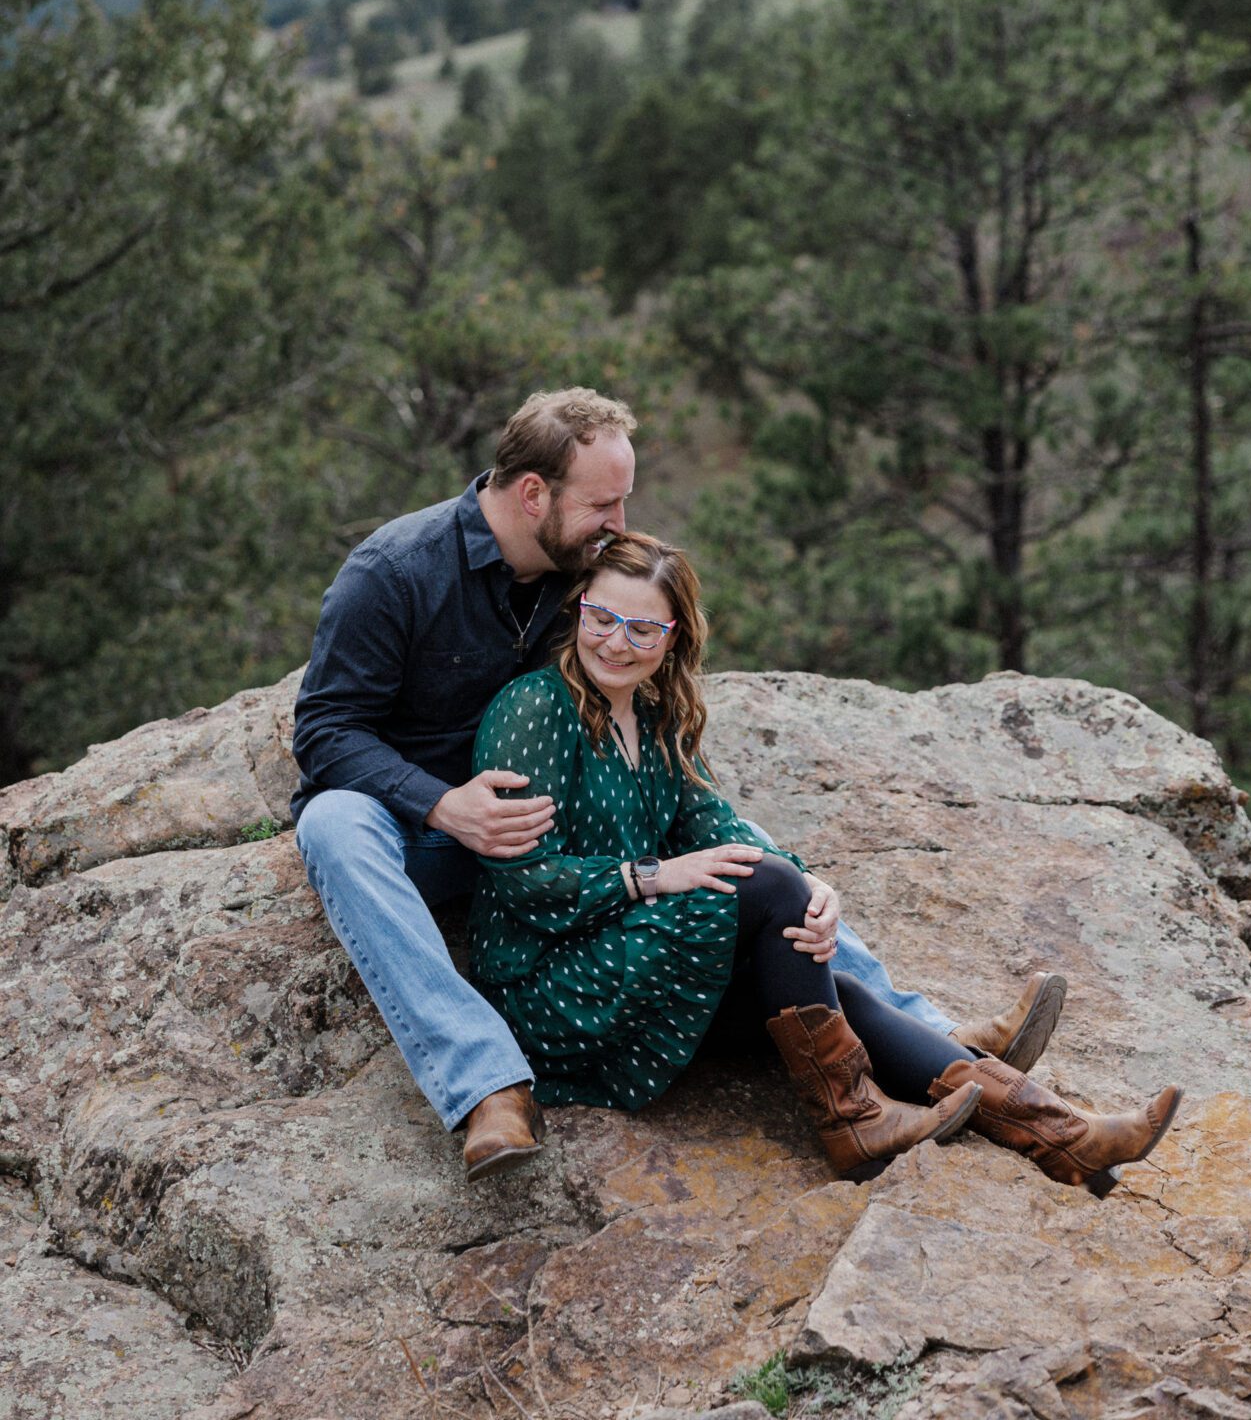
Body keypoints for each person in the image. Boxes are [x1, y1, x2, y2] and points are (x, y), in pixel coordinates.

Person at [291, 385, 1065, 1183]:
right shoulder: (394, 571)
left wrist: (786, 873)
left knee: (761, 862)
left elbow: (642, 674)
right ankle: (485, 1082)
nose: (619, 525)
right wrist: (444, 805)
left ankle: (925, 1034)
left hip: (544, 829)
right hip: (424, 830)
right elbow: (322, 732)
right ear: (533, 494)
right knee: (332, 825)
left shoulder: (581, 574)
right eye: (605, 504)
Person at [469, 532, 1182, 1192]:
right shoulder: (536, 709)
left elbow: (711, 822)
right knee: (771, 894)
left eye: (643, 629)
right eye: (600, 618)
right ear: (578, 609)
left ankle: (1064, 1136)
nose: (615, 643)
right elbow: (523, 882)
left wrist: (809, 883)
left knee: (845, 996)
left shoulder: (656, 717)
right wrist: (654, 875)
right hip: (556, 990)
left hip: (635, 970)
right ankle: (855, 1120)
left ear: (672, 637)